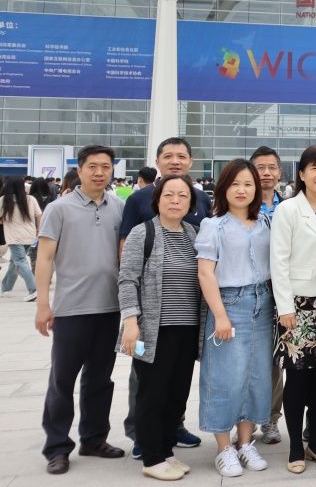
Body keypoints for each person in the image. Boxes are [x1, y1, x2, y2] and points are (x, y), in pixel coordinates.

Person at [35, 145, 126, 475]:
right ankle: (57, 447)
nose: (99, 172)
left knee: (100, 380)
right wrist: (43, 304)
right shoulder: (59, 208)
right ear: (80, 169)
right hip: (70, 310)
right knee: (62, 381)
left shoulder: (119, 207)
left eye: (105, 166)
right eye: (92, 166)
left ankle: (94, 439)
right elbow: (45, 257)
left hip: (110, 308)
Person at [119, 137, 209, 454]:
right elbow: (127, 276)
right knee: (148, 387)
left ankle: (167, 442)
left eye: (182, 196)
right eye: (169, 195)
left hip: (186, 329)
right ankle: (147, 446)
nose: (175, 200)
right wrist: (131, 321)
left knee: (176, 389)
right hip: (149, 328)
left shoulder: (194, 231)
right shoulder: (141, 225)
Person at [270, 145, 316, 473]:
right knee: (298, 379)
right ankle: (295, 448)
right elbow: (278, 261)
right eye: (314, 168)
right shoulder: (288, 209)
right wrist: (284, 307)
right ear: (301, 173)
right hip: (299, 307)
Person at [196, 160, 273, 477]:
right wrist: (220, 315)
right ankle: (223, 448)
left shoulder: (264, 222)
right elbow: (205, 273)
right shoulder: (213, 225)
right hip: (230, 302)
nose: (241, 190)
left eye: (248, 184)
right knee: (224, 376)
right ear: (223, 188)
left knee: (256, 376)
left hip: (263, 302)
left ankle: (245, 443)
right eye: (235, 184)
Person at [248, 146, 285, 446]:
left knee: (275, 359)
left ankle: (271, 419)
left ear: (280, 172)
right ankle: (245, 419)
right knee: (247, 359)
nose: (266, 173)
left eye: (272, 167)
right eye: (260, 167)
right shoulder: (238, 207)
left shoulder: (289, 207)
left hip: (282, 291)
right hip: (249, 292)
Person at [1, 174, 42, 300]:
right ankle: (5, 288)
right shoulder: (30, 199)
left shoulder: (4, 200)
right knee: (14, 262)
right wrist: (39, 230)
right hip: (30, 235)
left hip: (14, 237)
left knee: (20, 262)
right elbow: (39, 215)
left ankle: (34, 289)